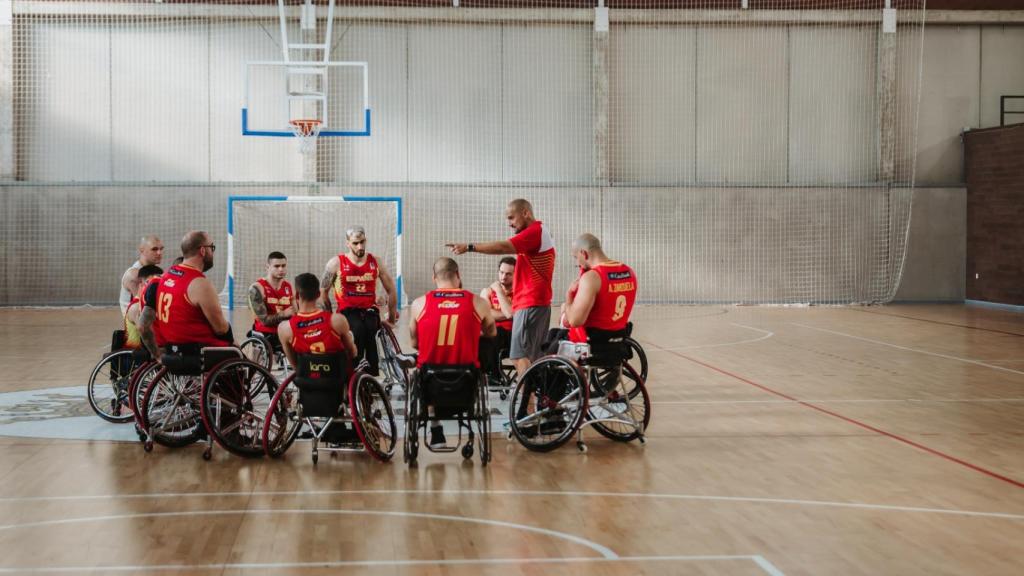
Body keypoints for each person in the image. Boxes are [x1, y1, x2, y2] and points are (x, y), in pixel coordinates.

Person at [446, 198, 555, 376]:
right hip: (536, 303)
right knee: (532, 358)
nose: (510, 224)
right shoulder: (540, 233)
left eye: (512, 218)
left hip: (530, 303)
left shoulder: (535, 231)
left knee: (520, 356)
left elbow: (504, 246)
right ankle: (535, 400)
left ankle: (528, 404)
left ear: (526, 213)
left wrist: (470, 247)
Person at [408, 258, 496, 449]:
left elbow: (415, 343)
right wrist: (470, 334)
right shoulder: (478, 302)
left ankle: (435, 426)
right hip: (465, 383)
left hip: (431, 385)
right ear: (458, 275)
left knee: (423, 363)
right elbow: (492, 333)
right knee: (485, 347)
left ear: (434, 278)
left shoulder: (418, 304)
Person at [320, 226, 399, 375]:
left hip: (369, 310)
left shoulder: (376, 262)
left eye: (362, 242)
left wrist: (392, 319)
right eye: (355, 243)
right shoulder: (336, 263)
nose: (360, 246)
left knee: (369, 328)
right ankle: (354, 372)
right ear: (347, 243)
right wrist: (328, 317)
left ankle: (370, 375)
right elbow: (323, 291)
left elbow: (391, 290)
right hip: (347, 311)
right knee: (357, 329)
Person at [148, 231, 233, 352]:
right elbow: (221, 329)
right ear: (203, 251)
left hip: (171, 346)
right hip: (196, 351)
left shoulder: (167, 274)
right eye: (212, 248)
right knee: (237, 351)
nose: (212, 252)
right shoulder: (200, 283)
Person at [560, 233, 638, 347]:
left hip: (593, 342)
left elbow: (574, 321)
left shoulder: (592, 277)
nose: (577, 263)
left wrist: (569, 296)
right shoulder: (629, 272)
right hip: (619, 339)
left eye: (576, 258)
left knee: (561, 316)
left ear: (584, 253)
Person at [278, 273, 358, 370]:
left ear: (297, 295)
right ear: (318, 294)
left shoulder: (284, 328)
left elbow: (295, 365)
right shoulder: (337, 320)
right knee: (350, 338)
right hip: (336, 378)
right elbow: (352, 353)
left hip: (306, 379)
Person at [248, 251, 294, 352]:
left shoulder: (289, 287)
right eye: (277, 266)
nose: (281, 269)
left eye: (283, 266)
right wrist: (284, 314)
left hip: (285, 331)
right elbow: (264, 321)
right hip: (265, 333)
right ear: (267, 267)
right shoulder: (257, 288)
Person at [479, 257, 514, 383]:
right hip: (489, 334)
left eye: (509, 274)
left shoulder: (520, 293)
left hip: (511, 336)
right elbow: (485, 315)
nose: (503, 277)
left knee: (496, 331)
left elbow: (511, 314)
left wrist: (499, 292)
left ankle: (494, 376)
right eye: (501, 272)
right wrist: (507, 313)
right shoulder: (487, 292)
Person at [120, 235, 164, 315]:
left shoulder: (154, 271)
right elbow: (143, 308)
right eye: (154, 249)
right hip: (136, 324)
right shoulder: (134, 275)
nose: (159, 253)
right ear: (142, 250)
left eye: (161, 249)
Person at [123, 265, 163, 351]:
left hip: (148, 348)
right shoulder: (136, 306)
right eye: (151, 282)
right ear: (141, 284)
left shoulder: (148, 303)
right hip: (137, 353)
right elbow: (144, 330)